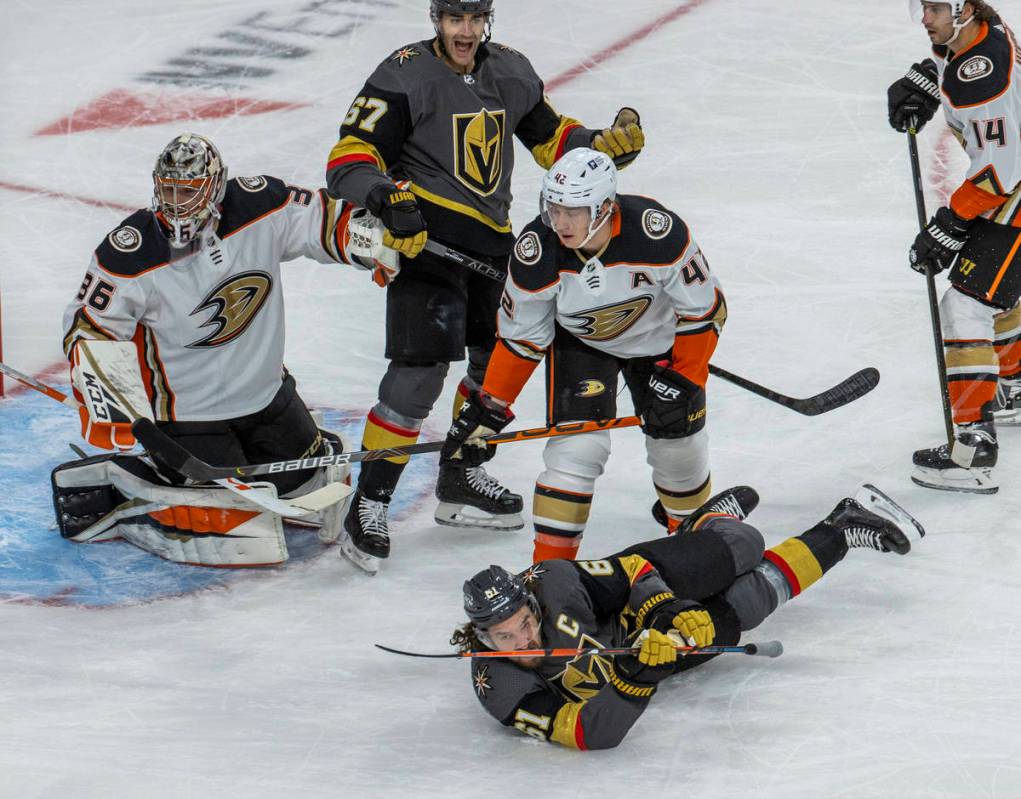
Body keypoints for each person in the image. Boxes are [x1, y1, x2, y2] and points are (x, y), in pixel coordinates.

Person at [325, 0, 647, 573]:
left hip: (492, 241)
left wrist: (601, 143)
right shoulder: (401, 73)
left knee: (492, 365)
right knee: (417, 376)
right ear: (437, 20)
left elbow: (552, 141)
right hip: (425, 242)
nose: (465, 32)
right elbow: (349, 158)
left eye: (474, 20)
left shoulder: (511, 71)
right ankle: (368, 504)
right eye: (455, 20)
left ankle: (460, 472)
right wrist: (386, 198)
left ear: (487, 21)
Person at [53, 133, 391, 566]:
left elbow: (325, 221)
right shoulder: (131, 252)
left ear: (215, 188)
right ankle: (130, 483)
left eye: (188, 192)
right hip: (188, 417)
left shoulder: (260, 205)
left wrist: (380, 243)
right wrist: (115, 407)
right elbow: (89, 328)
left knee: (303, 481)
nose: (176, 204)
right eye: (168, 189)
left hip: (266, 396)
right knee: (236, 511)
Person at [452, 484, 923, 750]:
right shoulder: (499, 688)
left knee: (745, 543)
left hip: (651, 592)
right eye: (504, 636)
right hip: (649, 653)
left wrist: (666, 611)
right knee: (749, 603)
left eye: (526, 625)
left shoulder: (551, 581)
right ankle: (842, 527)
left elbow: (633, 571)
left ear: (532, 606)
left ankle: (702, 524)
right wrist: (637, 679)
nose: (523, 642)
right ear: (482, 640)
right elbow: (586, 732)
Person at [441, 148, 726, 563]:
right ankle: (549, 574)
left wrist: (685, 377)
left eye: (573, 211)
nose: (559, 222)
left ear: (606, 206)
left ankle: (692, 552)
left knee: (678, 451)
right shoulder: (537, 250)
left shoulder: (656, 233)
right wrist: (489, 407)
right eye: (554, 208)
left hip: (661, 346)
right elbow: (522, 338)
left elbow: (704, 310)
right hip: (581, 344)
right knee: (574, 453)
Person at [887, 0, 1021, 494]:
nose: (926, 19)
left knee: (965, 303)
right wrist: (930, 75)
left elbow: (996, 176)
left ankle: (973, 448)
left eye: (937, 9)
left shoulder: (982, 80)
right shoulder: (981, 31)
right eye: (923, 7)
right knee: (1000, 289)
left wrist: (948, 225)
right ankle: (1017, 385)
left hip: (1015, 189)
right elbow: (959, 62)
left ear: (964, 10)